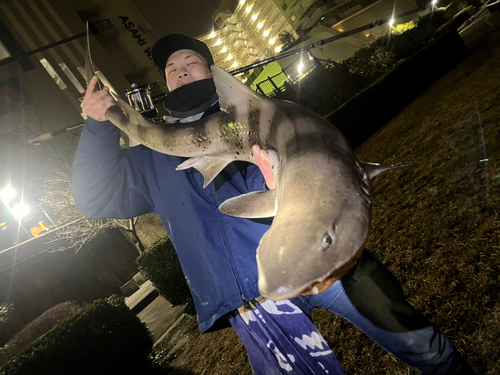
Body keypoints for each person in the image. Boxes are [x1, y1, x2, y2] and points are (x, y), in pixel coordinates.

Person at [73, 33, 475, 375]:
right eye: (171, 67)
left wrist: (282, 179)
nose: (180, 68)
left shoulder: (271, 117)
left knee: (421, 344)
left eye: (191, 61)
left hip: (320, 254)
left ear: (214, 73)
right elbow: (93, 198)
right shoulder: (149, 158)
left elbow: (326, 163)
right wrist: (98, 125)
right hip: (254, 290)